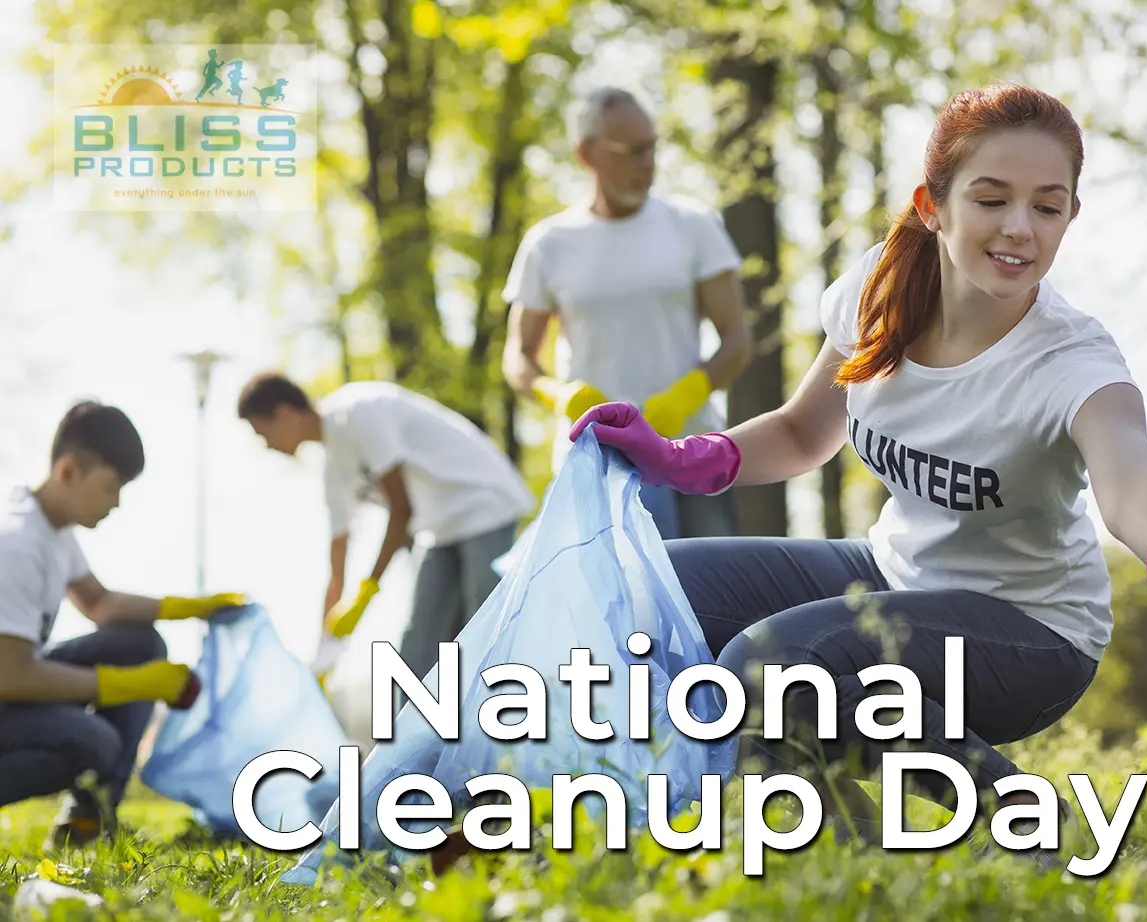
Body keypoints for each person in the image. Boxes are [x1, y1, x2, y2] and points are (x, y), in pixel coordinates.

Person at [569, 84, 1147, 859]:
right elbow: (799, 432)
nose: (1020, 228)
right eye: (992, 199)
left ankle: (1032, 825)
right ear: (933, 204)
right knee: (641, 592)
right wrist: (677, 455)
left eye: (1048, 207)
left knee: (767, 665)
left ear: (1070, 217)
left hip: (1031, 635)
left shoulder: (1071, 361)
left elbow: (1131, 478)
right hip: (893, 574)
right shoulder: (880, 289)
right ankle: (848, 850)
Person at [501, 85, 753, 540]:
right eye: (632, 151)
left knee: (713, 601)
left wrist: (686, 396)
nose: (648, 164)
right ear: (586, 153)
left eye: (652, 148)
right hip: (595, 462)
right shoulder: (549, 244)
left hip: (689, 457)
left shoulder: (693, 226)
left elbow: (737, 340)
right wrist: (558, 394)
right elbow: (518, 358)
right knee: (614, 608)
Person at [0, 401, 239, 848]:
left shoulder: (54, 529)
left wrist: (187, 607)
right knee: (94, 742)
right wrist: (127, 685)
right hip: (8, 683)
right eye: (112, 486)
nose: (116, 502)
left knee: (139, 642)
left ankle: (88, 822)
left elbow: (100, 603)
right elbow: (9, 677)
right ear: (69, 471)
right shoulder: (16, 544)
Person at [236, 375, 535, 682]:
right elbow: (337, 558)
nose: (266, 445)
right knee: (419, 642)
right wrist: (324, 654)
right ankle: (419, 729)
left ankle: (503, 720)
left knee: (483, 627)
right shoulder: (334, 465)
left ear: (284, 414)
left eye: (263, 432)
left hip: (482, 501)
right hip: (437, 527)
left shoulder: (358, 411)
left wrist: (368, 590)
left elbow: (401, 509)